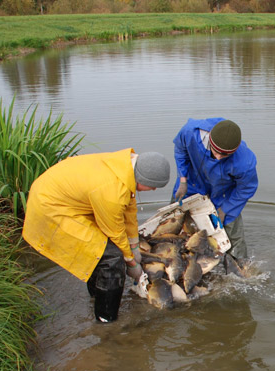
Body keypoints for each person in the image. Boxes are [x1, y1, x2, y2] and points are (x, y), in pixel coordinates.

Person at [22, 148, 170, 323]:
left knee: (103, 250)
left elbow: (129, 211)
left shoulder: (124, 170)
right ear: (142, 178)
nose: (153, 189)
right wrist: (131, 262)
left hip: (64, 196)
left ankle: (97, 294)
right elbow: (115, 232)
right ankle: (106, 319)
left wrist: (134, 244)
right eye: (152, 186)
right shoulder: (111, 191)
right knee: (111, 257)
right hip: (51, 207)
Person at [172, 118, 258, 259]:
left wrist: (225, 210)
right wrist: (182, 179)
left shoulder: (245, 161)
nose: (218, 157)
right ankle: (182, 259)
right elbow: (181, 152)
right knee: (176, 222)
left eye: (224, 155)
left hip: (223, 193)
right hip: (191, 183)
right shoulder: (190, 133)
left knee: (233, 234)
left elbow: (246, 189)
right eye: (216, 151)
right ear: (210, 141)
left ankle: (240, 265)